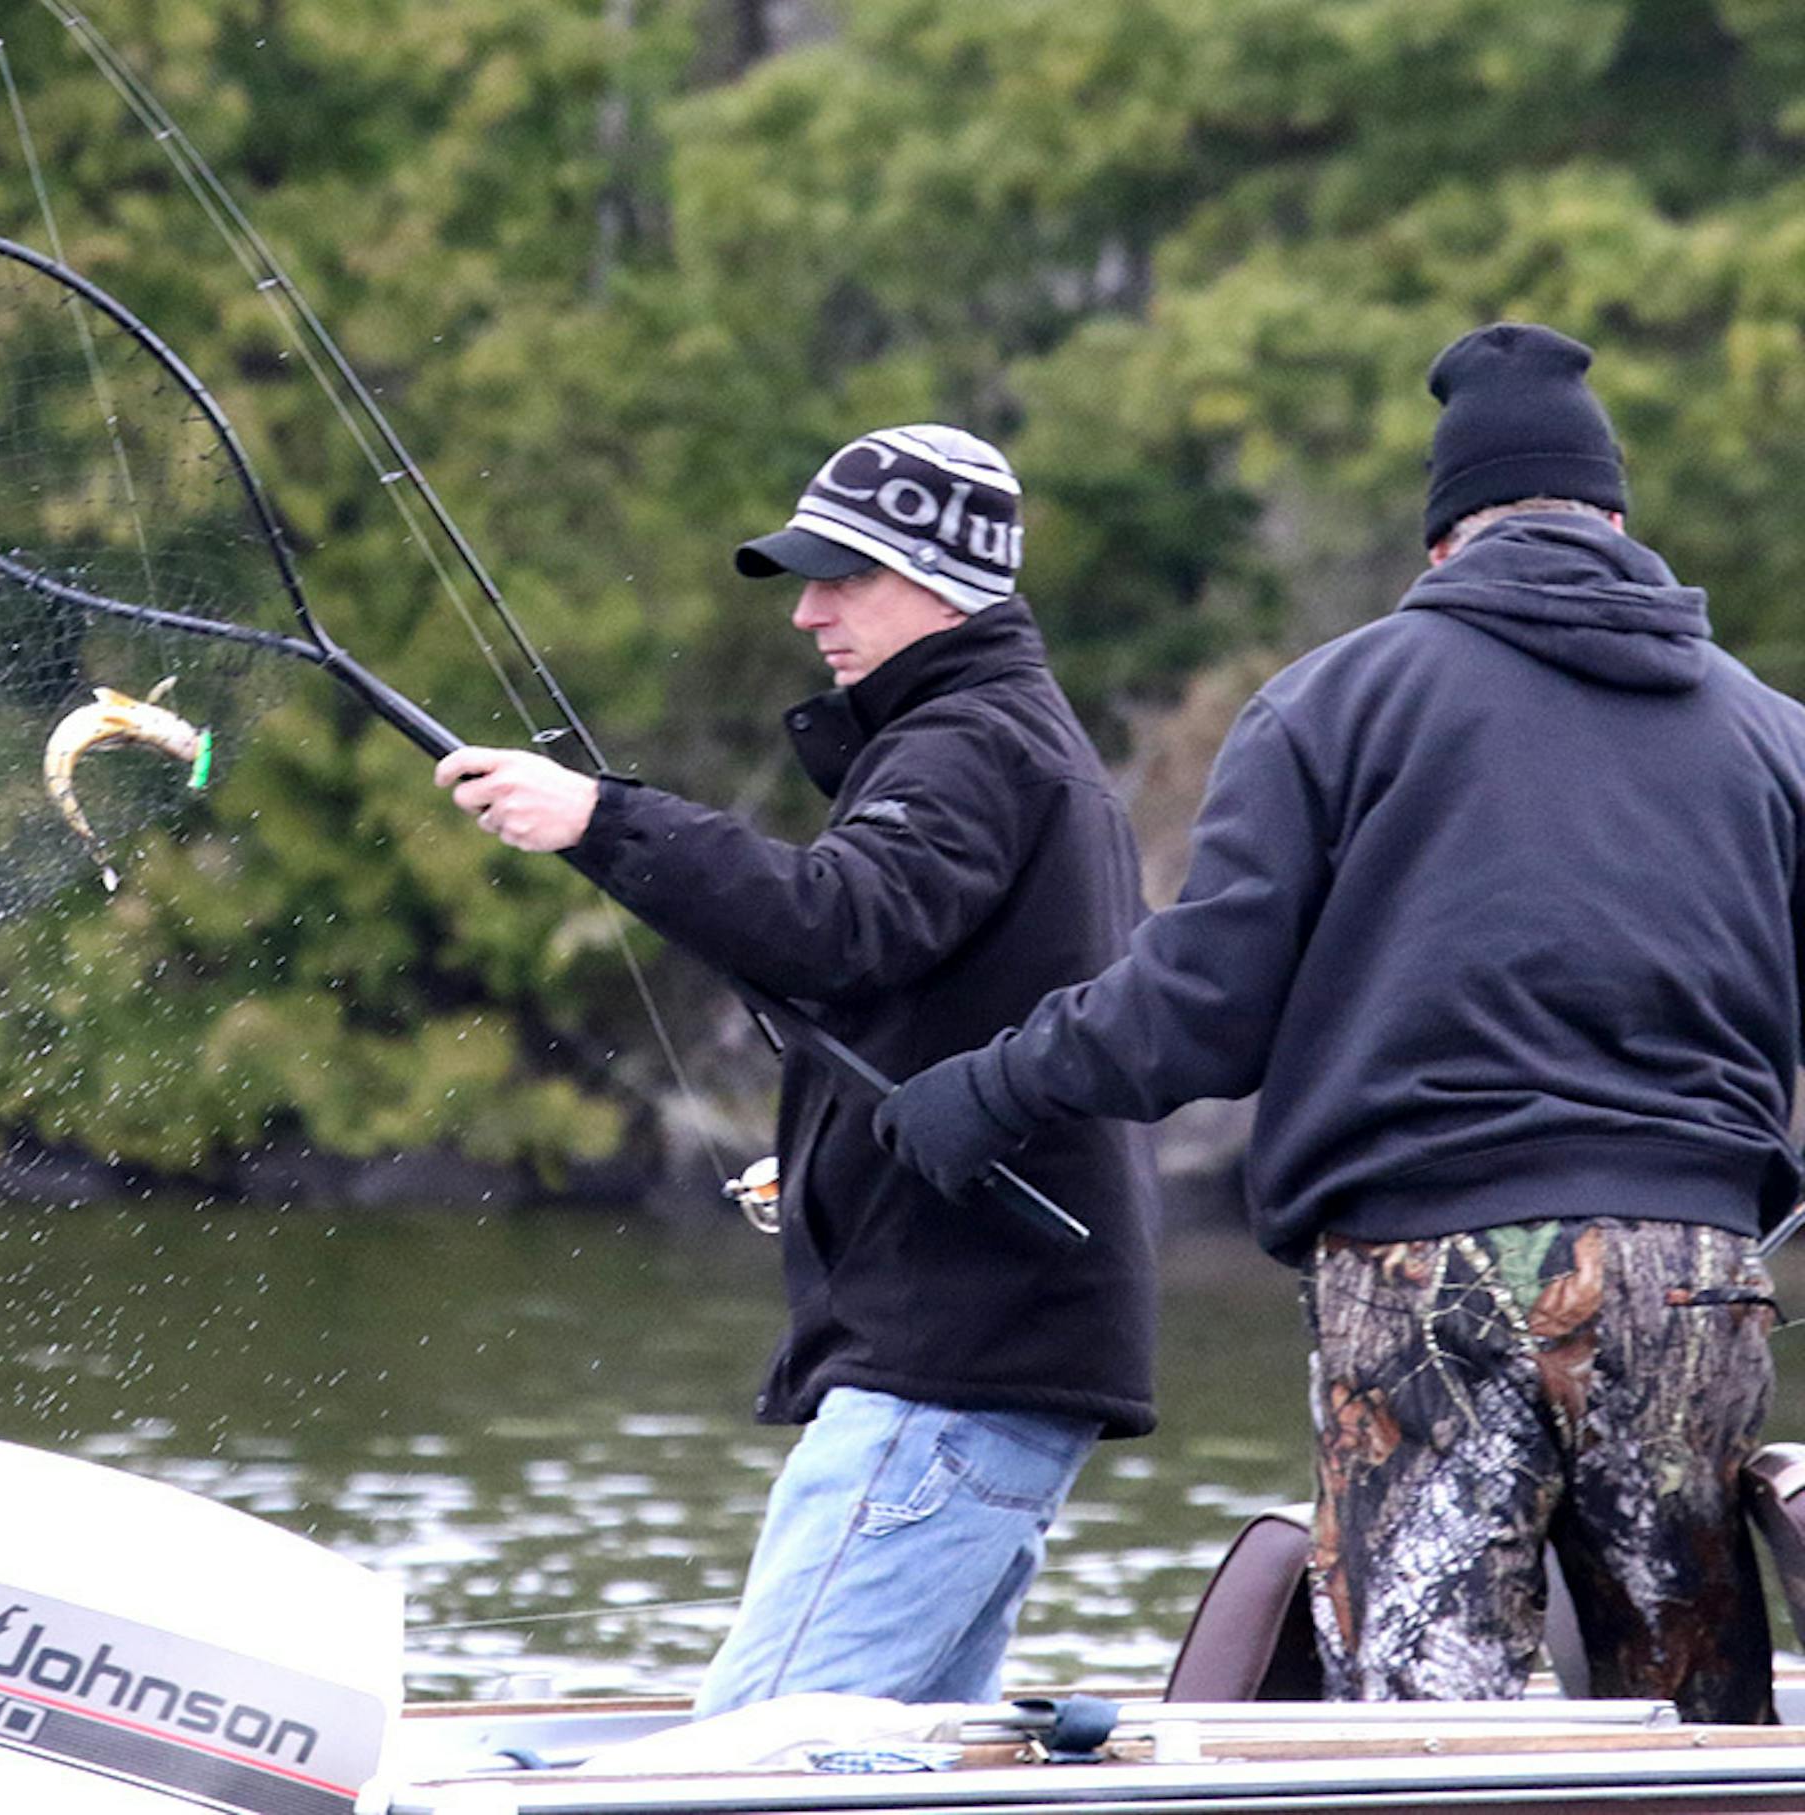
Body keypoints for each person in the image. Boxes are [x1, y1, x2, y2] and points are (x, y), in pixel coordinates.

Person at [877, 325, 1801, 1723]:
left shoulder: (1332, 703)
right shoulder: (1772, 734)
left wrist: (987, 1091)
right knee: (1689, 1721)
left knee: (1437, 1729)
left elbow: (1197, 1016)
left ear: (1443, 542)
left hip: (1431, 1273)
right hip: (1701, 1278)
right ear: (1617, 519)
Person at [432, 424, 1160, 1715]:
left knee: (748, 1764)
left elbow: (838, 924)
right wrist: (828, 1163)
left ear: (944, 586)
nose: (808, 612)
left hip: (944, 1377)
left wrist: (601, 819)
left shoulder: (970, 746)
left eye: (844, 576)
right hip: (1003, 1365)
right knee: (888, 1776)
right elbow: (959, 1011)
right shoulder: (1013, 744)